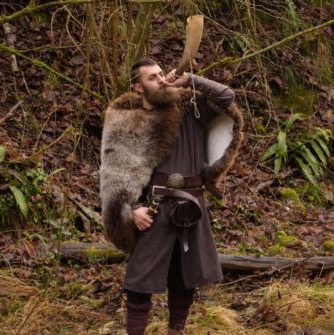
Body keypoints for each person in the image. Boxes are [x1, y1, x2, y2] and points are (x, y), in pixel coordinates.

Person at [100, 58, 243, 335]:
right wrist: (132, 209)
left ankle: (175, 332)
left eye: (162, 74)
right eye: (152, 77)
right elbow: (116, 175)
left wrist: (190, 80)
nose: (161, 79)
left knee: (184, 281)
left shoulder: (192, 108)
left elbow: (227, 97)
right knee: (138, 285)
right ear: (138, 87)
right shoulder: (127, 120)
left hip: (192, 207)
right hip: (155, 210)